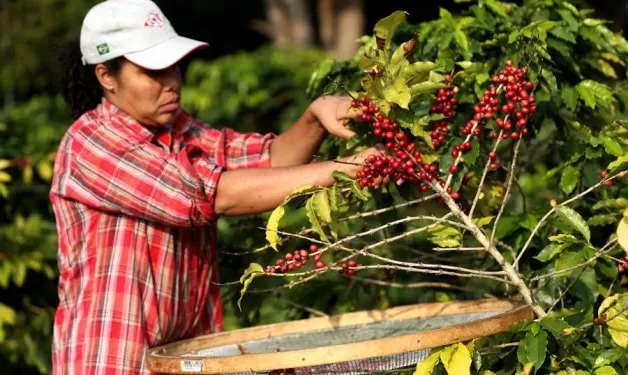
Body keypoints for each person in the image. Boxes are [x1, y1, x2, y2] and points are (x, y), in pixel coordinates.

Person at [50, 0, 378, 373]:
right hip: (113, 360)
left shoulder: (183, 133)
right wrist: (345, 168)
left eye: (174, 67)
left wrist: (315, 117)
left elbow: (269, 161)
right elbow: (210, 194)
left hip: (182, 359)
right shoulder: (92, 142)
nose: (172, 81)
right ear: (107, 77)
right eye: (153, 71)